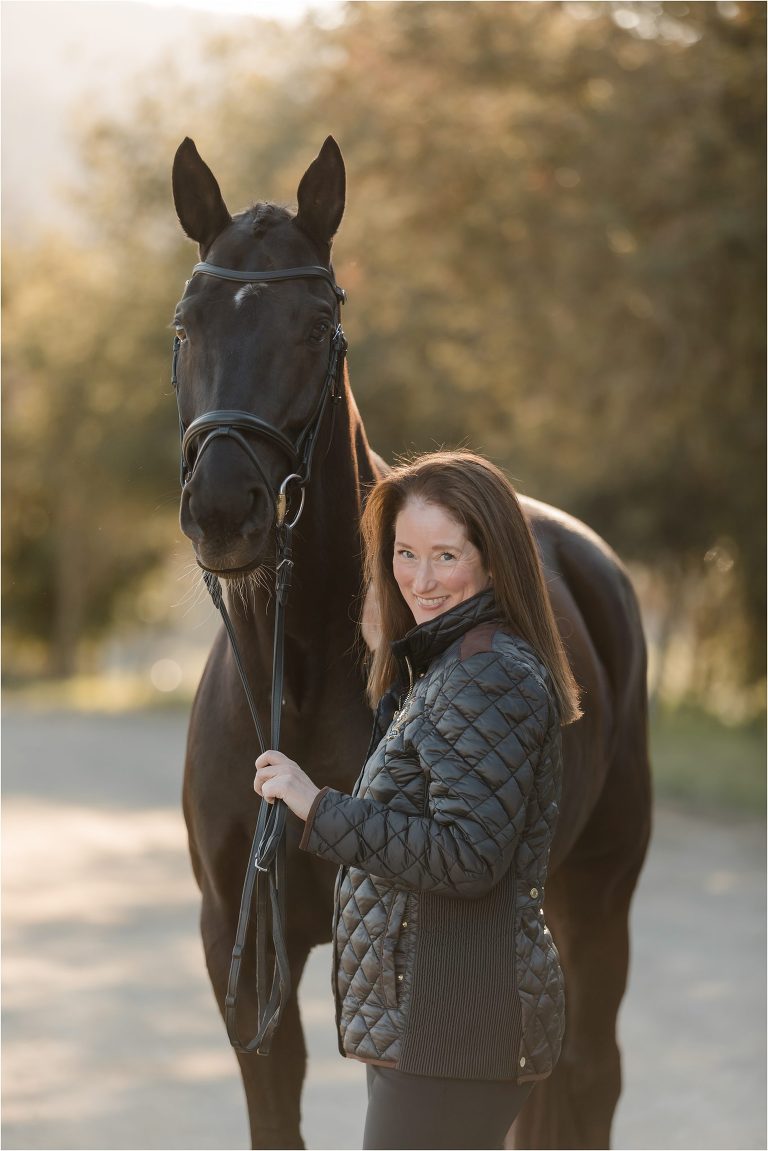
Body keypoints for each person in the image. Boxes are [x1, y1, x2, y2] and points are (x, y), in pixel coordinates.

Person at [254, 450, 582, 1151]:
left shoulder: (488, 671)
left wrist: (319, 807)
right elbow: (426, 787)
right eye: (405, 553)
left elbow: (468, 856)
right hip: (434, 1019)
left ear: (493, 560)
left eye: (444, 555)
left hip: (455, 1020)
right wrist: (393, 655)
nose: (420, 579)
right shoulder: (457, 663)